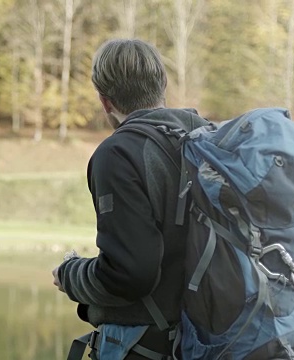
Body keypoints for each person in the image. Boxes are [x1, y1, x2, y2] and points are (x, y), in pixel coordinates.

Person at [52, 39, 209, 359]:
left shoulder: (118, 153)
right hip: (208, 341)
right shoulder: (206, 137)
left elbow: (129, 275)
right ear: (162, 85)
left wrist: (69, 274)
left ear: (105, 101)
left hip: (147, 346)